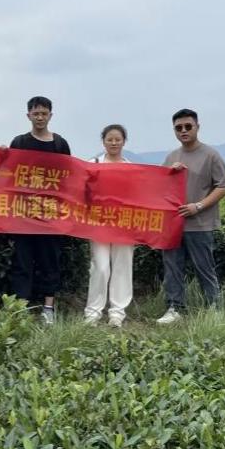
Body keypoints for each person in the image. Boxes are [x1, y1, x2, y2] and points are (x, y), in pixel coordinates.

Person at [157, 108, 225, 324]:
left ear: (197, 127)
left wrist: (198, 206)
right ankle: (174, 308)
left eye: (188, 126)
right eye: (178, 128)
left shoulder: (211, 155)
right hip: (173, 225)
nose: (183, 131)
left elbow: (223, 186)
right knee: (172, 268)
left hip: (200, 224)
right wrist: (169, 172)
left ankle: (214, 309)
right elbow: (159, 186)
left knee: (204, 268)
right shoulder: (172, 157)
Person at [8, 96, 72, 325]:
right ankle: (20, 307)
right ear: (28, 115)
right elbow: (9, 174)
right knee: (22, 262)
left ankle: (48, 307)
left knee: (50, 262)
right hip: (24, 215)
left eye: (44, 113)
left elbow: (69, 176)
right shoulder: (19, 142)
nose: (40, 117)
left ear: (50, 115)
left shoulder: (60, 144)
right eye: (36, 113)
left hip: (51, 215)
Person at [84, 124, 134, 327]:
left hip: (124, 224)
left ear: (124, 142)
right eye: (110, 139)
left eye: (118, 139)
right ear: (103, 141)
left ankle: (117, 312)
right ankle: (93, 312)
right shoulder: (93, 163)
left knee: (123, 266)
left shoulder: (132, 168)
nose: (114, 143)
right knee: (101, 266)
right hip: (99, 223)